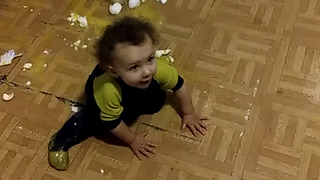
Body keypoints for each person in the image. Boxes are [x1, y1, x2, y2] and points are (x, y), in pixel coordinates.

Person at [48, 16, 208, 170]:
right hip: (102, 97)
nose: (147, 71)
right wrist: (132, 140)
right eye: (134, 67)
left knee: (155, 101)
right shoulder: (107, 89)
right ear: (114, 70)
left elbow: (179, 85)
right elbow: (112, 123)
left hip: (132, 88)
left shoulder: (157, 70)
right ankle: (60, 141)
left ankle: (135, 86)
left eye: (150, 59)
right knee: (93, 120)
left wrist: (189, 113)